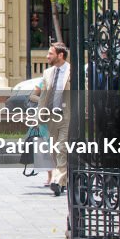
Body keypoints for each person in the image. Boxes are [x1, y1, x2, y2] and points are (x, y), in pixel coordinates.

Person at [37, 43, 71, 196]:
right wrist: (39, 115)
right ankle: (62, 181)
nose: (47, 56)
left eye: (50, 53)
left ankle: (57, 181)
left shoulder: (72, 71)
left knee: (62, 149)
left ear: (60, 55)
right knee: (53, 150)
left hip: (66, 115)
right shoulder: (47, 72)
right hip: (51, 116)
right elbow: (44, 96)